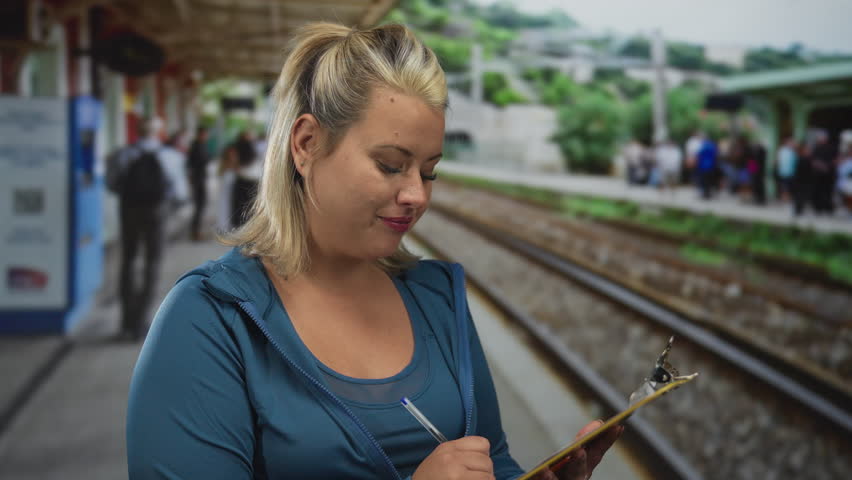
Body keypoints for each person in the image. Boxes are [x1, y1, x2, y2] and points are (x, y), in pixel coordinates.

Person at [126, 22, 621, 480]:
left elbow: (492, 461)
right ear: (306, 143)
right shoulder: (211, 321)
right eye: (390, 165)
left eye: (429, 171)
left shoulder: (437, 301)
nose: (418, 195)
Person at [105, 117, 188, 341]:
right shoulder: (171, 156)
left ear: (137, 132)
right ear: (158, 133)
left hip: (129, 209)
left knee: (129, 260)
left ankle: (126, 322)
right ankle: (142, 321)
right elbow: (179, 192)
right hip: (157, 211)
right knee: (153, 261)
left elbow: (112, 184)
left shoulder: (122, 154)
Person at [187, 126, 211, 241]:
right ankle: (195, 232)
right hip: (197, 179)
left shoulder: (200, 145)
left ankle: (197, 230)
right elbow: (196, 162)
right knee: (199, 205)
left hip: (200, 178)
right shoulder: (196, 146)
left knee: (201, 205)